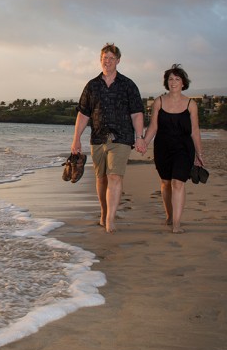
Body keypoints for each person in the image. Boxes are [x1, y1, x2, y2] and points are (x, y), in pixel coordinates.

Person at [72, 43, 145, 233]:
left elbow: (137, 113)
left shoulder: (128, 85)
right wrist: (76, 139)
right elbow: (83, 114)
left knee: (114, 176)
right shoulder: (92, 85)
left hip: (122, 138)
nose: (108, 61)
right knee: (101, 178)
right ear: (100, 60)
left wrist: (140, 137)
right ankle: (104, 212)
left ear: (118, 61)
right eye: (105, 58)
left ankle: (111, 219)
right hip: (97, 138)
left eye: (112, 58)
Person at [141, 64, 205, 234]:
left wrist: (199, 154)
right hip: (162, 147)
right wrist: (144, 142)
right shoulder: (159, 102)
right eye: (170, 79)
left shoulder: (191, 104)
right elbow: (153, 126)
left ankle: (177, 223)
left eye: (177, 79)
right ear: (166, 82)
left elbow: (195, 131)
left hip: (184, 148)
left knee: (178, 183)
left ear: (183, 83)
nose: (173, 82)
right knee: (166, 183)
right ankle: (169, 215)